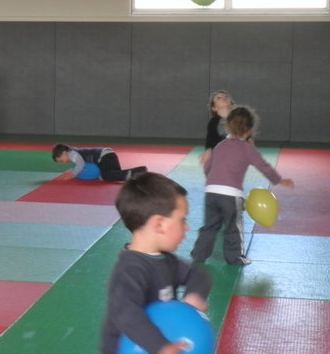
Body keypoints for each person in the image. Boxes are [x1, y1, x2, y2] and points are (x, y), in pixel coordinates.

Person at [101, 172, 211, 354]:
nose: (187, 227)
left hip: (166, 337)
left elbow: (197, 275)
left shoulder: (167, 260)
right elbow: (127, 314)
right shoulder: (129, 270)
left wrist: (195, 295)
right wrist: (161, 346)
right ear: (159, 224)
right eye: (182, 220)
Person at [191, 106, 295, 266]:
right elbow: (263, 166)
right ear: (252, 130)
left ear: (227, 127)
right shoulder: (248, 149)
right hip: (230, 195)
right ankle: (235, 258)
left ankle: (199, 254)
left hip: (211, 193)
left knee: (209, 226)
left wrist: (211, 181)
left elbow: (208, 167)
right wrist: (279, 180)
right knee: (233, 227)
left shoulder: (220, 146)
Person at [52, 143, 147, 181]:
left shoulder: (73, 154)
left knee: (105, 176)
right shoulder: (74, 153)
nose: (63, 163)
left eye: (61, 160)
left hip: (104, 156)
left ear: (64, 153)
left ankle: (136, 172)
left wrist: (72, 175)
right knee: (112, 174)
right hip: (109, 155)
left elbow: (81, 164)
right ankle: (135, 173)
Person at [200, 90, 235, 166]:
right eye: (219, 98)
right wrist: (208, 151)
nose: (223, 98)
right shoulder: (213, 122)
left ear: (231, 104)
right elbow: (210, 140)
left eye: (226, 97)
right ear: (214, 107)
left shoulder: (238, 119)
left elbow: (247, 136)